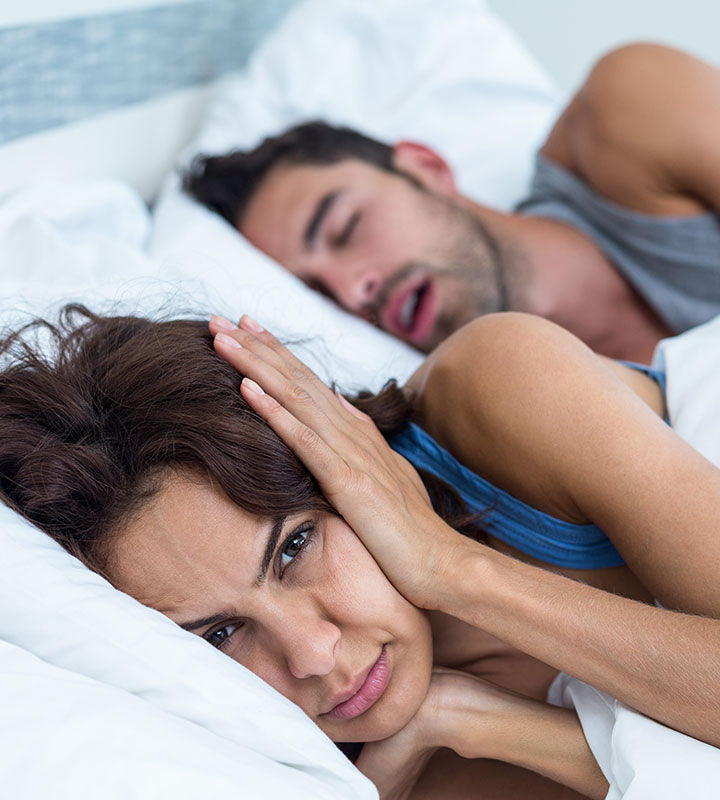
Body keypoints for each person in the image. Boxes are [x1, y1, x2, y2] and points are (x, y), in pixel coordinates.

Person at [1, 305, 719, 796]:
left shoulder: (496, 394)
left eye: (295, 546)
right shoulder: (363, 772)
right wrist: (482, 723)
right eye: (220, 634)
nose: (313, 655)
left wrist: (454, 569)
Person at [184, 43, 720, 363]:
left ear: (426, 166)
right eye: (319, 294)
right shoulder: (509, 440)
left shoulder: (624, 117)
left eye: (346, 227)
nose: (353, 292)